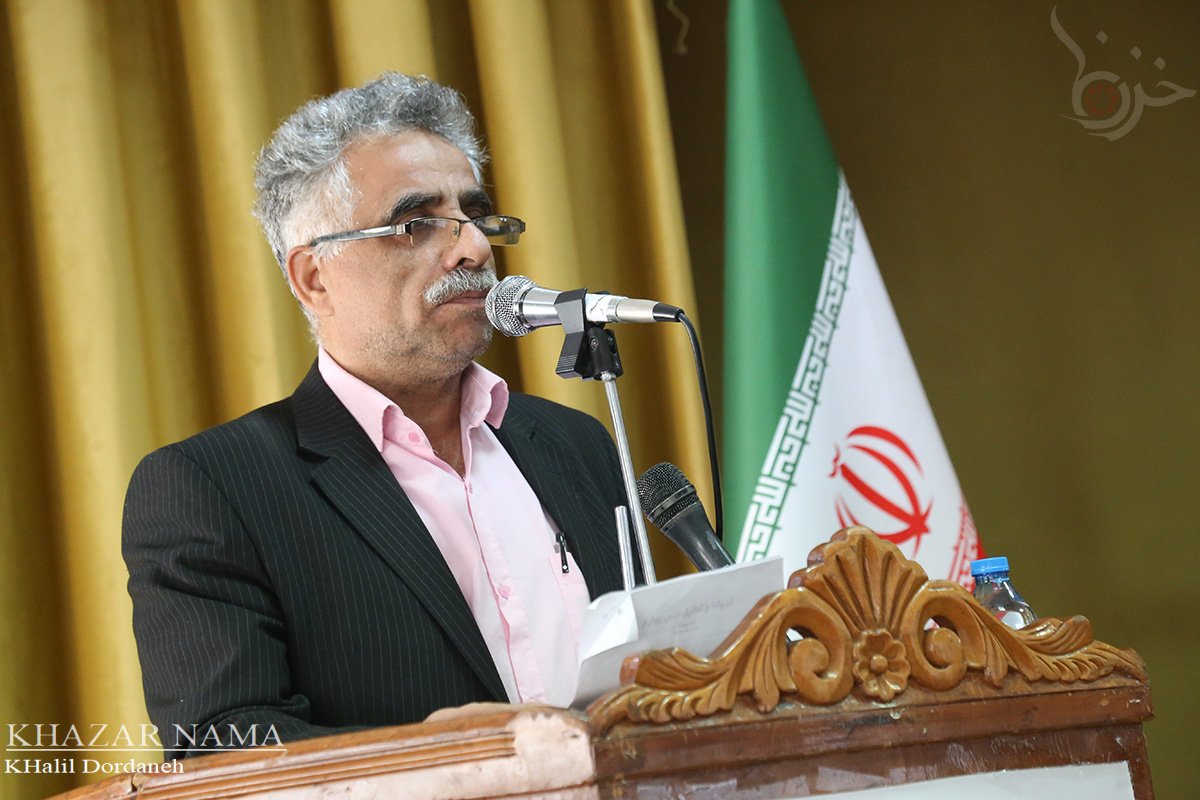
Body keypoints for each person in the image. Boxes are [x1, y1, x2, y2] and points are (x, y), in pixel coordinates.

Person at [122, 73, 629, 758]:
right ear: (314, 277)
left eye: (475, 216)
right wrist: (459, 756)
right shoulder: (214, 488)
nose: (476, 250)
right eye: (417, 224)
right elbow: (225, 746)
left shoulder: (573, 442)